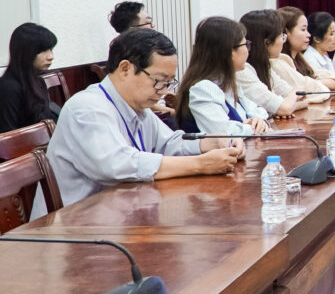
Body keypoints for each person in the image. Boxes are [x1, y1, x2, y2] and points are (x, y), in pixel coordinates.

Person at [42, 28, 242, 213]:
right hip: (74, 225)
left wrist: (213, 141)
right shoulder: (87, 108)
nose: (163, 91)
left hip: (119, 214)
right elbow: (118, 165)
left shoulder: (136, 107)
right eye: (159, 81)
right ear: (125, 69)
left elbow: (168, 143)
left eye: (169, 82)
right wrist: (200, 164)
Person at [176, 17, 270, 136]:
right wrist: (253, 128)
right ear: (229, 51)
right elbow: (224, 133)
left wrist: (259, 121)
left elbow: (258, 110)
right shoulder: (203, 89)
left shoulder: (226, 82)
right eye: (245, 44)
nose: (248, 50)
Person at [237, 10, 308, 118]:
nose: (283, 41)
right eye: (281, 36)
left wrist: (282, 107)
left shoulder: (265, 67)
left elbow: (301, 97)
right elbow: (285, 107)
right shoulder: (243, 72)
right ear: (267, 43)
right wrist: (282, 108)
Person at [0, 23, 60, 132]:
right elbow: (7, 134)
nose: (51, 56)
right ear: (26, 52)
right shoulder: (8, 87)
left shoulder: (39, 82)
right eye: (43, 50)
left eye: (51, 49)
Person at [277, 6, 335, 94]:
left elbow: (328, 77)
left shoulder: (300, 59)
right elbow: (302, 88)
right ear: (286, 33)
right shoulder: (279, 63)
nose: (308, 35)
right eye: (303, 29)